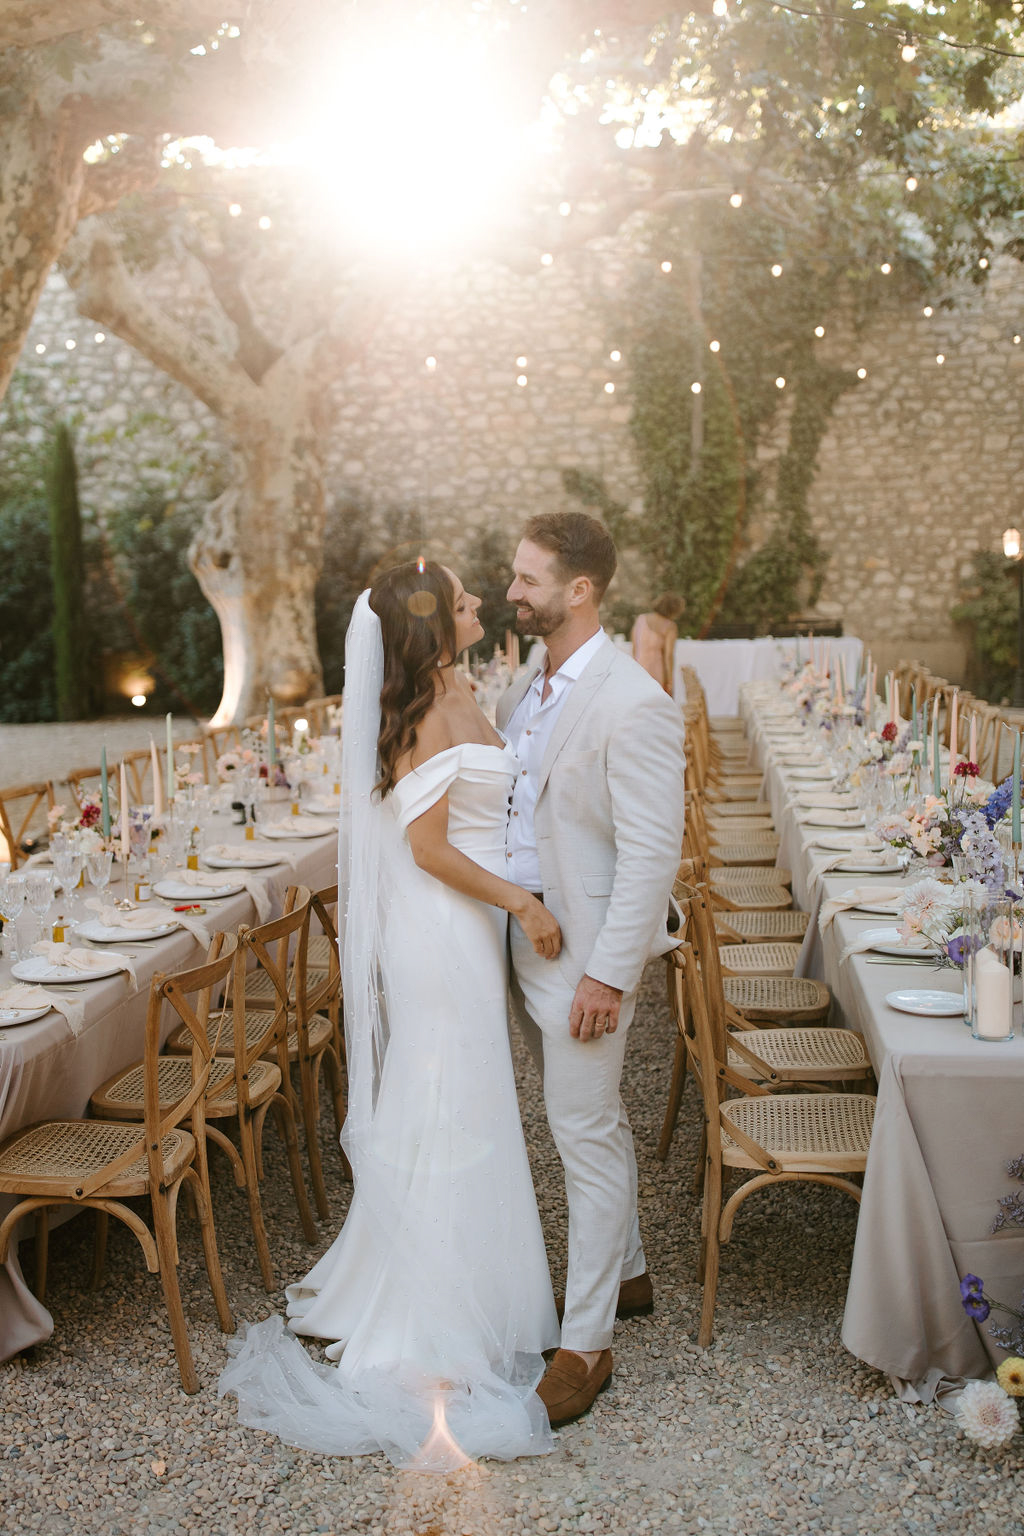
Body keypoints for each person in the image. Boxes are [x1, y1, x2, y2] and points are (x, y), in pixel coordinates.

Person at [219, 560, 562, 1468]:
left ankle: (462, 1274)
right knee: (452, 1095)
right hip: (445, 929)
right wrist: (524, 904)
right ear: (432, 627)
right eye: (461, 601)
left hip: (461, 927)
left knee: (458, 1094)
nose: (479, 603)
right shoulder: (427, 715)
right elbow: (429, 848)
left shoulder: (454, 691)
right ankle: (437, 1311)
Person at [498, 514, 686, 1428]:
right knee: (586, 1121)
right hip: (521, 948)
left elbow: (654, 855)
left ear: (581, 591)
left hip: (584, 965)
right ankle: (634, 1275)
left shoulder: (633, 701)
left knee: (582, 1136)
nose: (512, 591)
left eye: (529, 579)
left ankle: (587, 1343)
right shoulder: (519, 689)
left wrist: (608, 977)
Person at [631, 592, 685, 694]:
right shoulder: (670, 626)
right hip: (657, 670)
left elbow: (635, 648)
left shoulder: (640, 620)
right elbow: (668, 655)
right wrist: (669, 680)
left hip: (639, 667)